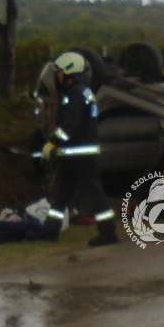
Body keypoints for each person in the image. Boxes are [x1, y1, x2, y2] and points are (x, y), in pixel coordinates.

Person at [30, 52, 119, 247]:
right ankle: (50, 231)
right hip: (72, 153)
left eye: (60, 72)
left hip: (81, 153)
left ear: (69, 72)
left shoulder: (76, 94)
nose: (58, 76)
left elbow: (69, 124)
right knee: (60, 192)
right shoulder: (81, 91)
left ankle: (108, 232)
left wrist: (52, 143)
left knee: (93, 193)